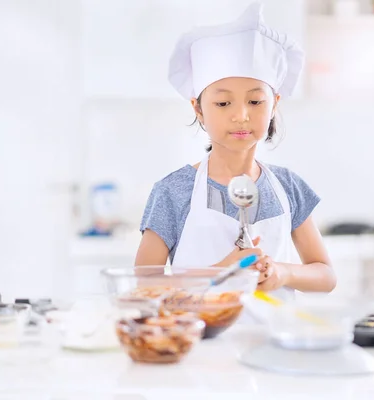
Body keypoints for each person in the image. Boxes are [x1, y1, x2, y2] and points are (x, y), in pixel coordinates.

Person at [135, 2, 336, 300]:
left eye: (255, 102)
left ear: (274, 105)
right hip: (199, 342)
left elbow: (326, 275)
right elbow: (143, 286)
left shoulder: (288, 187)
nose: (241, 115)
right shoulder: (172, 192)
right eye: (223, 103)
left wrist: (282, 272)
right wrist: (217, 273)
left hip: (273, 343)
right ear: (199, 109)